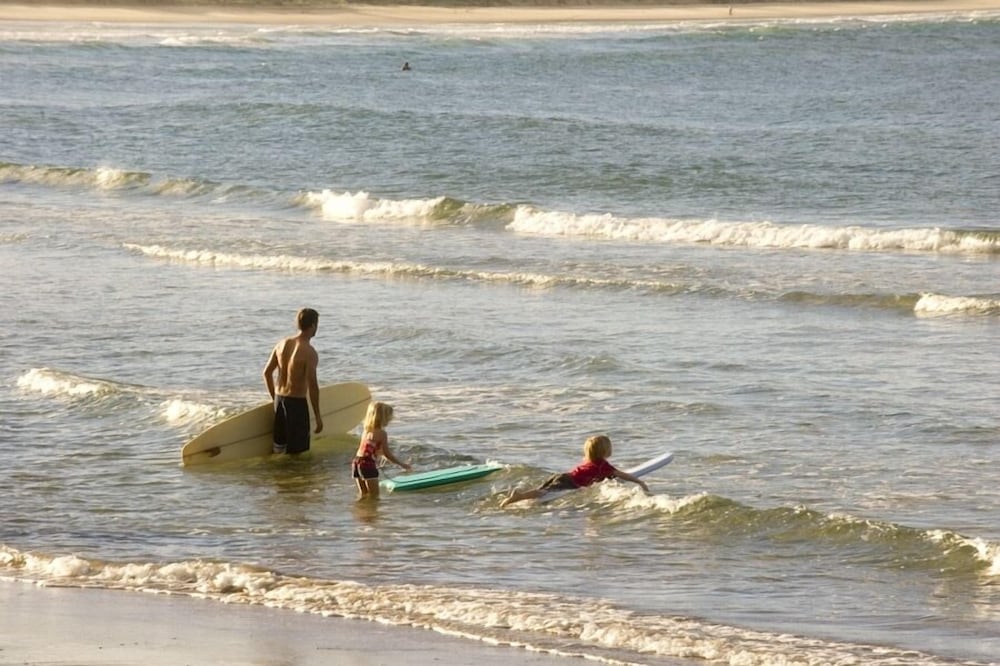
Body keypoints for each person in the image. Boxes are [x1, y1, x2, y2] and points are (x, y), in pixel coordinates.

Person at [500, 434, 648, 507]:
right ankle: (518, 497)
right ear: (605, 451)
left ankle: (524, 496)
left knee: (543, 491)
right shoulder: (603, 466)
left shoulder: (590, 462)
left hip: (563, 476)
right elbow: (621, 475)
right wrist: (640, 482)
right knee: (545, 493)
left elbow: (594, 476)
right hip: (569, 482)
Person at [263, 307, 323, 455]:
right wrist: (318, 417)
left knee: (279, 449)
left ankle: (280, 478)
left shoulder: (282, 344)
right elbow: (313, 386)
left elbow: (266, 373)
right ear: (313, 325)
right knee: (298, 455)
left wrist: (274, 399)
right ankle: (295, 478)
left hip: (279, 399)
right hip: (296, 405)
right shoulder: (309, 352)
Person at [352, 401, 412, 499]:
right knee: (374, 497)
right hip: (367, 464)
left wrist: (381, 456)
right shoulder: (382, 433)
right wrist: (402, 464)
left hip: (356, 462)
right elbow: (387, 453)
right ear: (382, 418)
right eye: (388, 418)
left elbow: (368, 449)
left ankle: (362, 512)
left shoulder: (366, 431)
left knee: (364, 495)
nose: (389, 420)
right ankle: (372, 514)